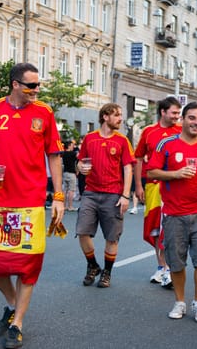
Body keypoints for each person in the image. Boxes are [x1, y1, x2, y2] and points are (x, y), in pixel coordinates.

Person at [0, 62, 64, 349]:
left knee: (28, 264)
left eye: (39, 85)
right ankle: (13, 304)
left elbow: (55, 156)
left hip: (30, 200)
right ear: (15, 84)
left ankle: (18, 323)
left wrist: (59, 196)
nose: (37, 91)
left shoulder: (44, 113)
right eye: (31, 86)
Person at [148, 101, 197, 324]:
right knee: (176, 261)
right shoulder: (166, 145)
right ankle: (179, 301)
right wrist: (176, 174)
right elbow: (152, 171)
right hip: (174, 213)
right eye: (192, 118)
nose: (196, 123)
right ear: (183, 120)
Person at [76, 103, 135, 288]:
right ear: (105, 117)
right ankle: (92, 265)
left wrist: (125, 196)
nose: (120, 118)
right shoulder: (89, 138)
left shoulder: (122, 140)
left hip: (113, 195)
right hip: (91, 193)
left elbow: (128, 168)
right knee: (82, 232)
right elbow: (80, 163)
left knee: (112, 237)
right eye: (116, 115)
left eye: (120, 115)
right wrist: (80, 168)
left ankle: (107, 273)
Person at [133, 96, 182, 286]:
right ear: (163, 112)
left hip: (175, 186)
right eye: (174, 113)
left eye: (179, 113)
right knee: (155, 227)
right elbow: (138, 158)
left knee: (170, 227)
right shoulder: (149, 132)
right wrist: (138, 185)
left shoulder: (181, 131)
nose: (177, 117)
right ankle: (161, 267)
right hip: (153, 185)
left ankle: (170, 268)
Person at [61, 140, 78, 211]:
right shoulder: (73, 153)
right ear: (68, 146)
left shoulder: (63, 153)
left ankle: (64, 206)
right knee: (71, 190)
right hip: (71, 173)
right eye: (71, 145)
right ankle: (70, 206)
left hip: (65, 173)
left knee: (65, 190)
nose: (73, 146)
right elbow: (79, 157)